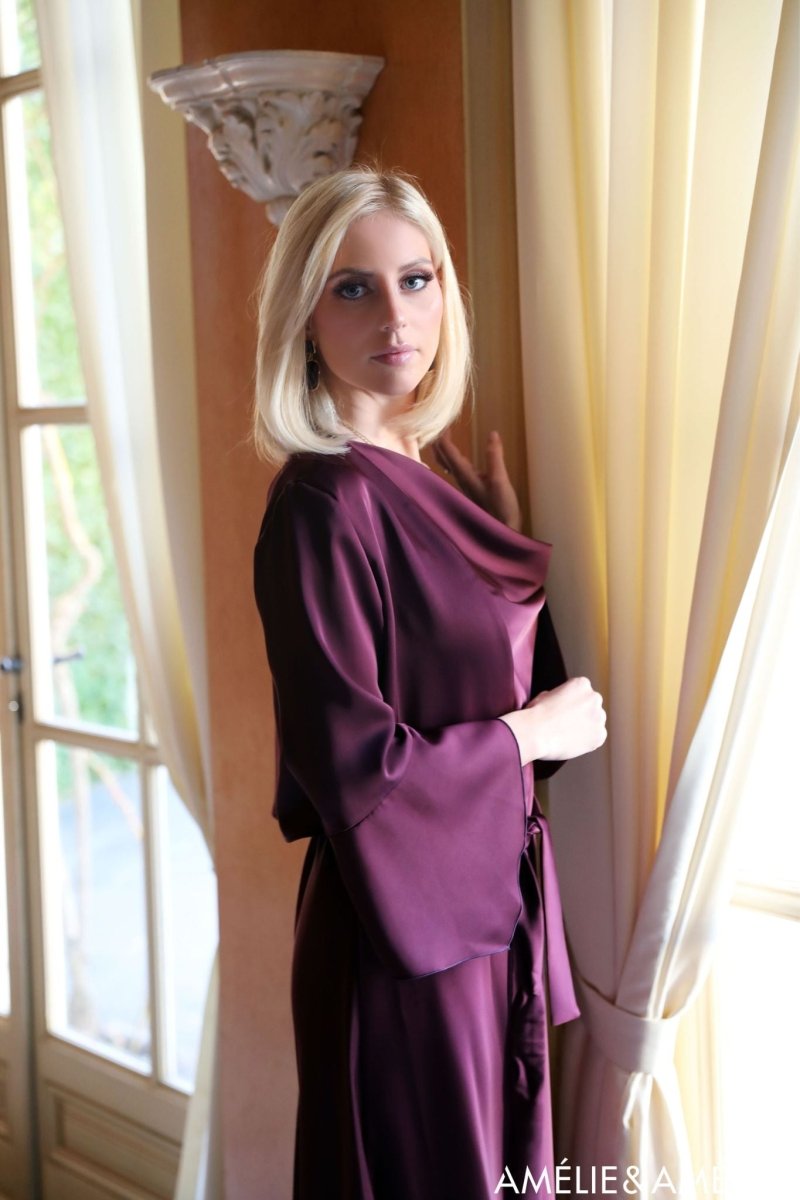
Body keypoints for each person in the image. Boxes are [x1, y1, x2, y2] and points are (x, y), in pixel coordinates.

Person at [252, 167, 607, 1200]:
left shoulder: (410, 469)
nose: (396, 316)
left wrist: (492, 546)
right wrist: (527, 738)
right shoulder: (322, 504)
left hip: (483, 914)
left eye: (416, 279)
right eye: (352, 288)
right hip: (400, 940)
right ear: (303, 313)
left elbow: (466, 668)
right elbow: (352, 767)